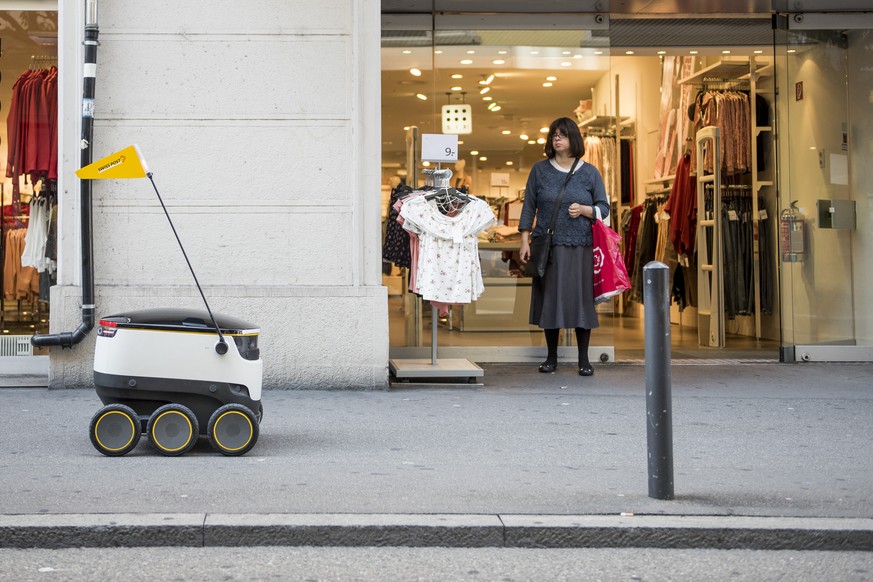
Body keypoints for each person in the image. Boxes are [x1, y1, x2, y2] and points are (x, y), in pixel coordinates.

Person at [518, 117, 610, 376]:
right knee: (552, 300)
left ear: (574, 139)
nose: (556, 139)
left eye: (562, 135)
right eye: (553, 135)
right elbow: (529, 207)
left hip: (581, 245)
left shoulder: (590, 172)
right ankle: (551, 358)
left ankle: (583, 359)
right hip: (548, 248)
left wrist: (584, 209)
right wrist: (524, 240)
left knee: (581, 301)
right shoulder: (539, 170)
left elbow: (604, 209)